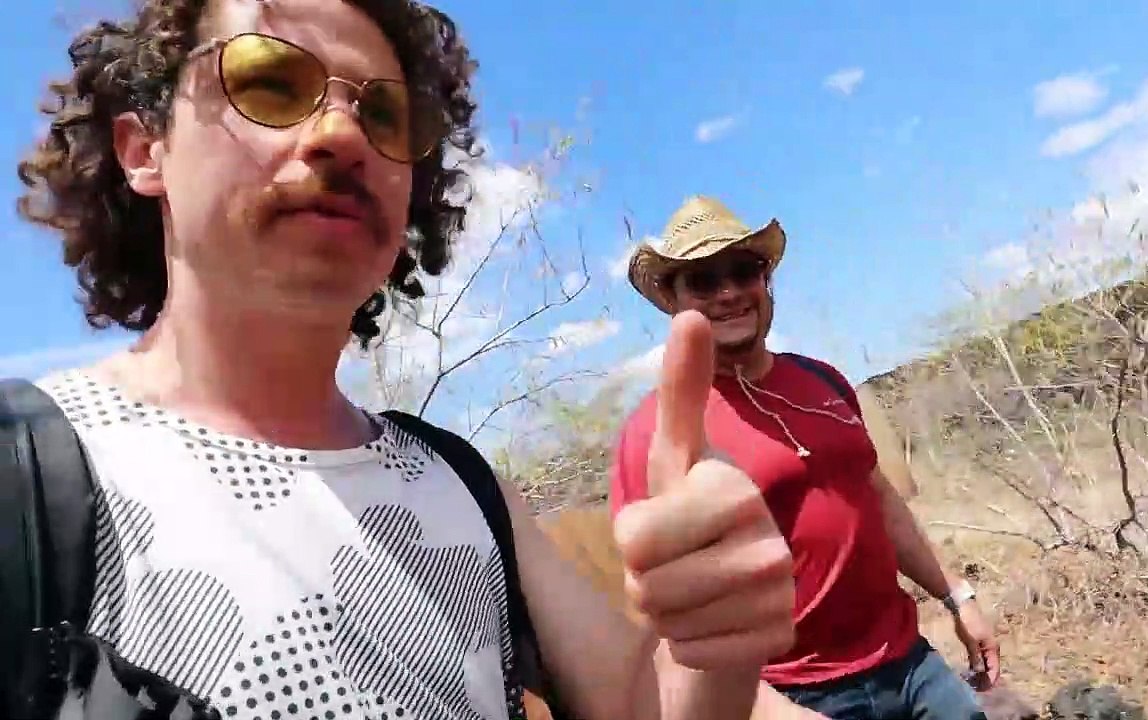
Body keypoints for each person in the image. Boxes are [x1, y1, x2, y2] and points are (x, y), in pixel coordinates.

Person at [6, 2, 817, 718]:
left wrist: (712, 651)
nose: (341, 134)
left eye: (386, 115)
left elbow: (645, 707)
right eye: (271, 82)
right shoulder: (26, 475)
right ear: (144, 150)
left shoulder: (461, 482)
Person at [608, 195, 1003, 720]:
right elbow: (655, 615)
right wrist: (768, 712)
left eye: (743, 270)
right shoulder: (658, 433)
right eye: (703, 280)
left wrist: (957, 597)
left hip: (908, 663)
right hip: (794, 697)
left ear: (765, 280)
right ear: (675, 302)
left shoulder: (823, 379)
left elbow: (877, 498)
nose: (728, 292)